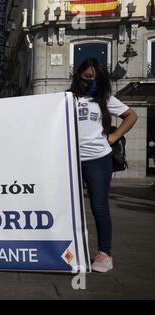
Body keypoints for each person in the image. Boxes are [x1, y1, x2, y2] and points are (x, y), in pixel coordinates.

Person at [69, 58, 138, 273]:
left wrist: (114, 136)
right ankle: (69, 250)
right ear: (78, 74)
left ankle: (104, 254)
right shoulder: (66, 98)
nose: (91, 81)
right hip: (69, 158)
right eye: (87, 77)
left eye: (96, 78)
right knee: (67, 206)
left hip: (98, 159)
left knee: (98, 206)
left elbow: (131, 115)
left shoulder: (105, 99)